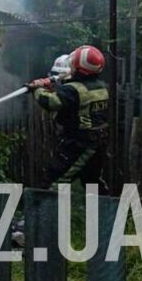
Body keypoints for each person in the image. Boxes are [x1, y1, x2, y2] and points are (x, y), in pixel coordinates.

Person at [28, 45, 111, 187]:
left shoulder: (73, 90)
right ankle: (104, 208)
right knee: (92, 182)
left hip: (79, 144)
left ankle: (42, 208)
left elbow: (50, 102)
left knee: (54, 180)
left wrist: (37, 88)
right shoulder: (100, 87)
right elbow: (75, 98)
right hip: (97, 143)